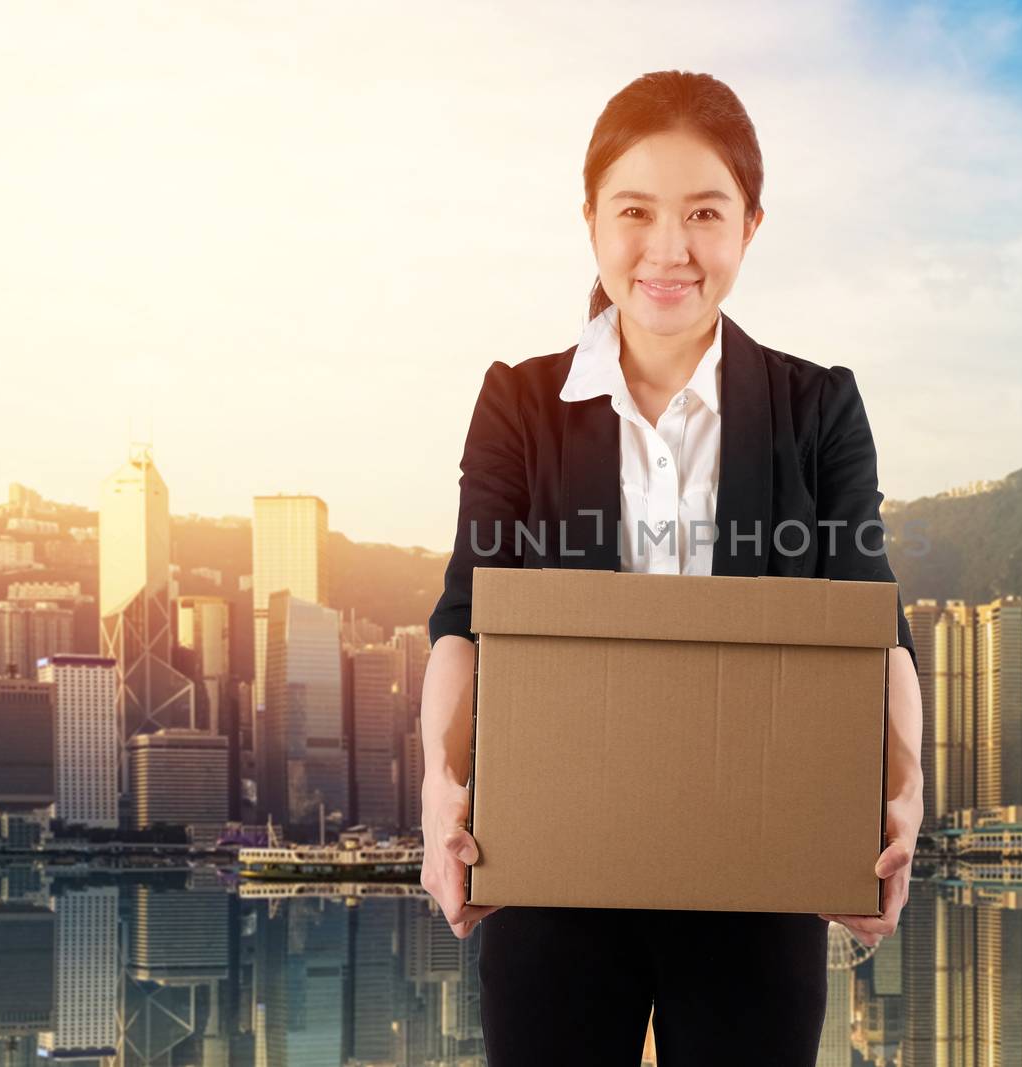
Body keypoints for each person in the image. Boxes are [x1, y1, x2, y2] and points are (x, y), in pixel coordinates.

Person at [419, 69, 924, 1066]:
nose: (668, 249)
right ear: (591, 220)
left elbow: (873, 627)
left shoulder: (817, 407)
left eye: (704, 212)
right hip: (551, 871)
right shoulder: (520, 404)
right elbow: (466, 616)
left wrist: (901, 794)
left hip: (761, 871)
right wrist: (441, 788)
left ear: (750, 225)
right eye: (635, 212)